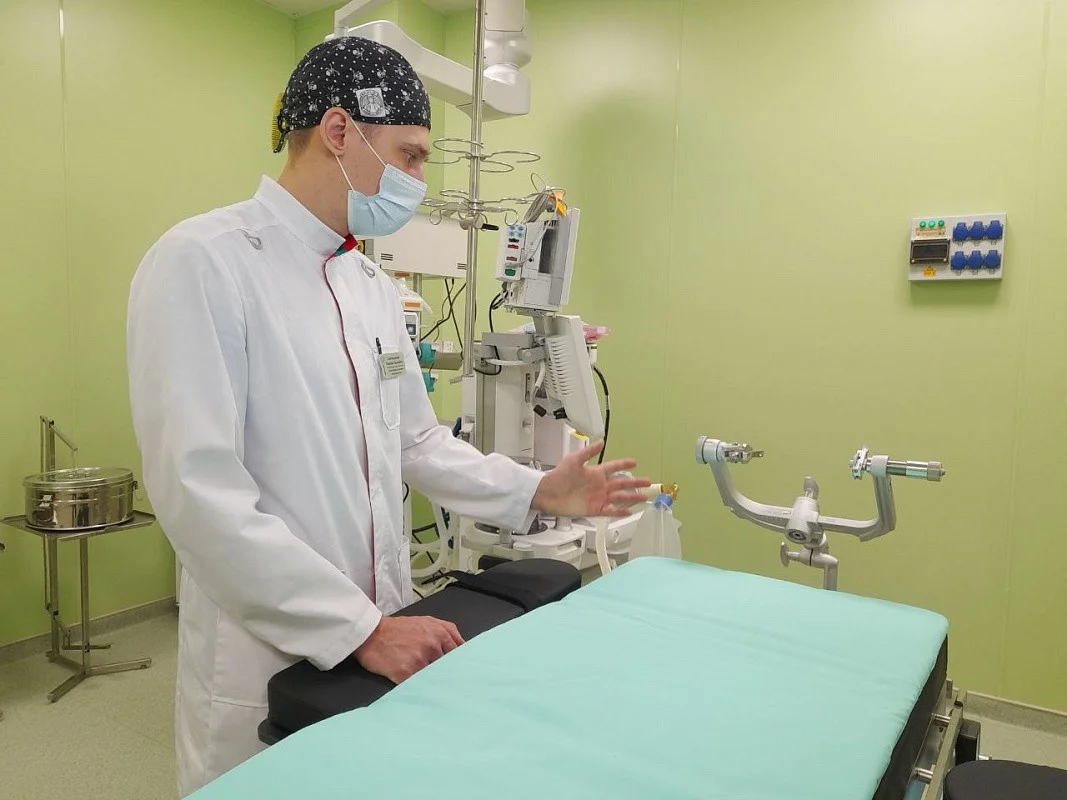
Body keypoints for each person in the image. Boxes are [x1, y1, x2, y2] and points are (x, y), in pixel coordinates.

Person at [126, 38, 648, 797]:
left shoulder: (370, 285)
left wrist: (534, 491)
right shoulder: (205, 261)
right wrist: (358, 628)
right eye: (409, 155)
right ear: (338, 131)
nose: (418, 181)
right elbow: (198, 494)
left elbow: (417, 439)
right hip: (266, 645)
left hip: (384, 626)